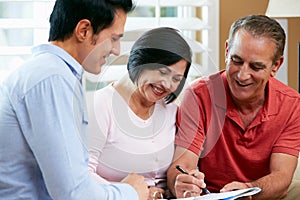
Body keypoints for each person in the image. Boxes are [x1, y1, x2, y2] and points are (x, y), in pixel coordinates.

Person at [0, 0, 149, 199]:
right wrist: (132, 192)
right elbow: (73, 194)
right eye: (114, 38)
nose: (116, 50)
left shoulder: (54, 74)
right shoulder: (52, 78)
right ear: (84, 30)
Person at [167, 14, 300, 199]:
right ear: (227, 50)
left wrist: (248, 189)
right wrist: (180, 182)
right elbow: (182, 165)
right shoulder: (199, 95)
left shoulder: (292, 104)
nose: (242, 75)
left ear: (276, 65)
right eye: (237, 61)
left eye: (256, 67)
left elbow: (282, 177)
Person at [87, 27, 192, 199]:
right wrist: (130, 193)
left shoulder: (171, 110)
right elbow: (82, 176)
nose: (167, 84)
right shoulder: (101, 105)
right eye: (162, 72)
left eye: (176, 79)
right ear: (140, 61)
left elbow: (172, 174)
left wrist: (184, 181)